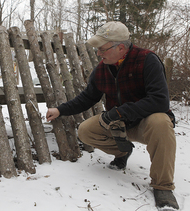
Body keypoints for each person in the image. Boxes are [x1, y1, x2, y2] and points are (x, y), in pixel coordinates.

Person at [46, 21, 179, 210]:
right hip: (119, 125)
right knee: (85, 130)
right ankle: (122, 151)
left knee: (161, 122)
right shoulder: (102, 69)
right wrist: (60, 110)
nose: (98, 53)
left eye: (102, 49)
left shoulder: (147, 60)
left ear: (121, 47)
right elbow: (87, 98)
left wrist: (119, 112)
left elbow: (159, 101)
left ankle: (163, 186)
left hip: (147, 125)